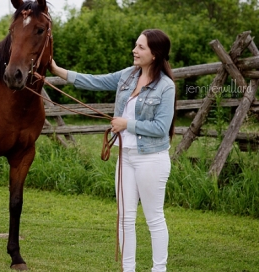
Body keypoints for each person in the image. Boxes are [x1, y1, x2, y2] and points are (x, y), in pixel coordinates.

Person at [49, 29, 176, 272]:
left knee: (154, 219)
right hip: (125, 157)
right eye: (135, 45)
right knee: (125, 218)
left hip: (151, 159)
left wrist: (127, 124)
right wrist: (57, 71)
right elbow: (94, 81)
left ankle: (158, 269)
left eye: (140, 47)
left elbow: (161, 128)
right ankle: (128, 270)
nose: (134, 50)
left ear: (154, 54)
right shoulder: (128, 76)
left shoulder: (166, 87)